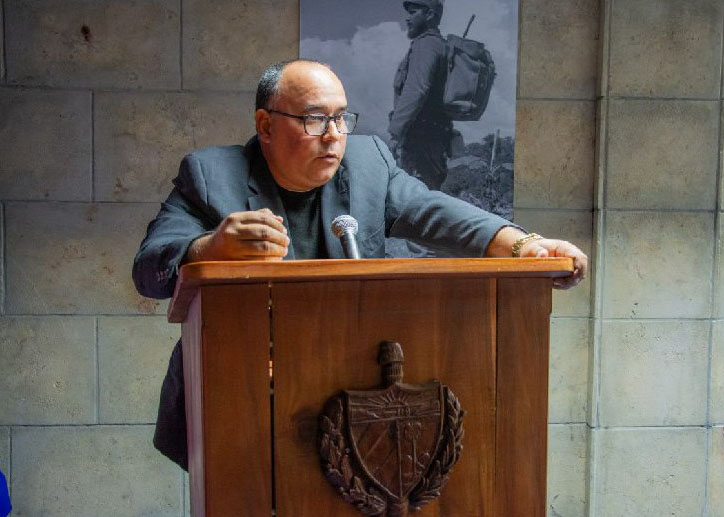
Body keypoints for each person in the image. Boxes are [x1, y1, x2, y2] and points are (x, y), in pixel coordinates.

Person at [132, 59, 587, 470]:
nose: (333, 134)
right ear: (266, 125)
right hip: (241, 400)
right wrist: (209, 247)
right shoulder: (210, 174)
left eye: (341, 117)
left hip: (345, 396)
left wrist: (524, 244)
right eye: (314, 119)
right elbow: (148, 269)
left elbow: (433, 210)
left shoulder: (368, 162)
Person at [388, 0, 451, 191]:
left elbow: (416, 90)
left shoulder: (427, 44)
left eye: (413, 12)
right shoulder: (437, 44)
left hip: (421, 139)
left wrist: (395, 133)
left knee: (418, 198)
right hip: (431, 137)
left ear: (429, 15)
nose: (408, 18)